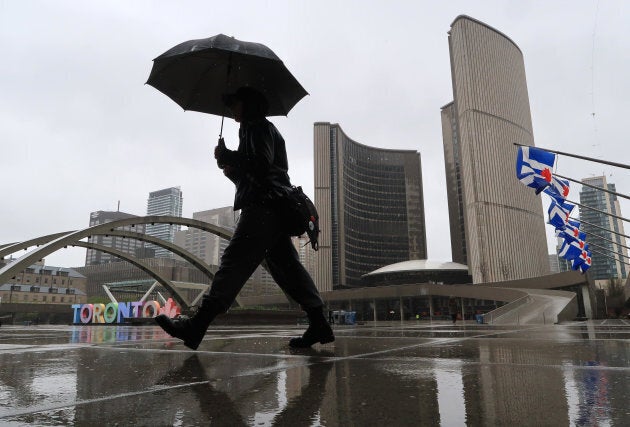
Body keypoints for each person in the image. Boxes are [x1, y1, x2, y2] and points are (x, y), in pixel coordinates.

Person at [156, 86, 334, 350]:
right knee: (289, 269)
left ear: (247, 104)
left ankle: (196, 326)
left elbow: (261, 165)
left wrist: (229, 155)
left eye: (233, 102)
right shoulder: (259, 129)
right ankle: (319, 322)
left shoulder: (256, 126)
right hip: (274, 209)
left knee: (233, 264)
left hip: (263, 209)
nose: (230, 109)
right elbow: (259, 170)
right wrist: (231, 169)